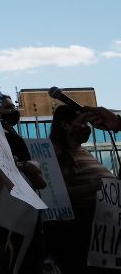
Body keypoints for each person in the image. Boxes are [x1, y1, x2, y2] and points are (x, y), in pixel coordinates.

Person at [45, 105, 117, 271]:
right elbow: (55, 196)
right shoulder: (58, 153)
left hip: (102, 231)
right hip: (82, 233)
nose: (87, 129)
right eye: (83, 122)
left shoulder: (80, 151)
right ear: (65, 125)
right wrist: (89, 188)